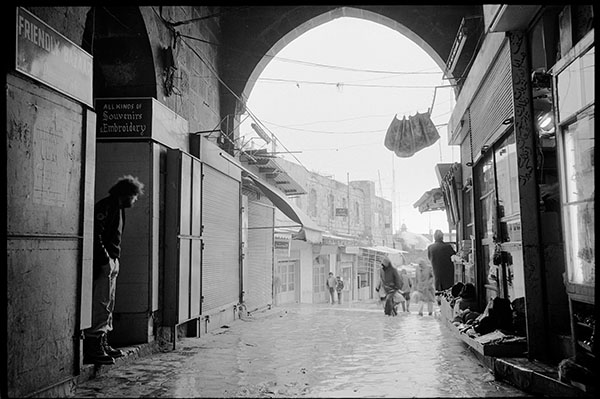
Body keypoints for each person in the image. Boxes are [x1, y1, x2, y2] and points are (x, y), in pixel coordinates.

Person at [83, 175, 144, 365]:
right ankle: (93, 346)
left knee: (108, 303)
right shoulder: (106, 207)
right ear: (127, 194)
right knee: (101, 303)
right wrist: (105, 260)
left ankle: (102, 341)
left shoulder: (116, 208)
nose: (134, 200)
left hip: (111, 260)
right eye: (134, 196)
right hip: (105, 262)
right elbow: (95, 234)